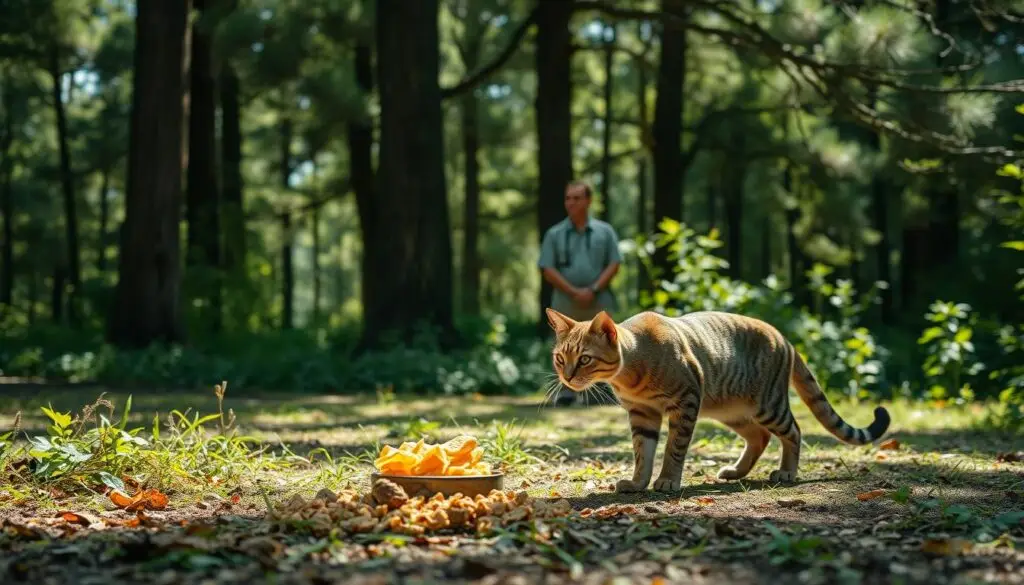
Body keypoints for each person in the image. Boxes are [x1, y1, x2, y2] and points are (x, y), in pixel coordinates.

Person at [538, 180, 623, 406]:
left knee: (603, 343)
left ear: (588, 200)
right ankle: (566, 390)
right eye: (568, 198)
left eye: (577, 198)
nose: (571, 203)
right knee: (564, 344)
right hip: (566, 300)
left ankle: (603, 391)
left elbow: (614, 263)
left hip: (599, 298)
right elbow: (547, 268)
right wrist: (574, 291)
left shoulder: (605, 232)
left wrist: (593, 289)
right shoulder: (554, 234)